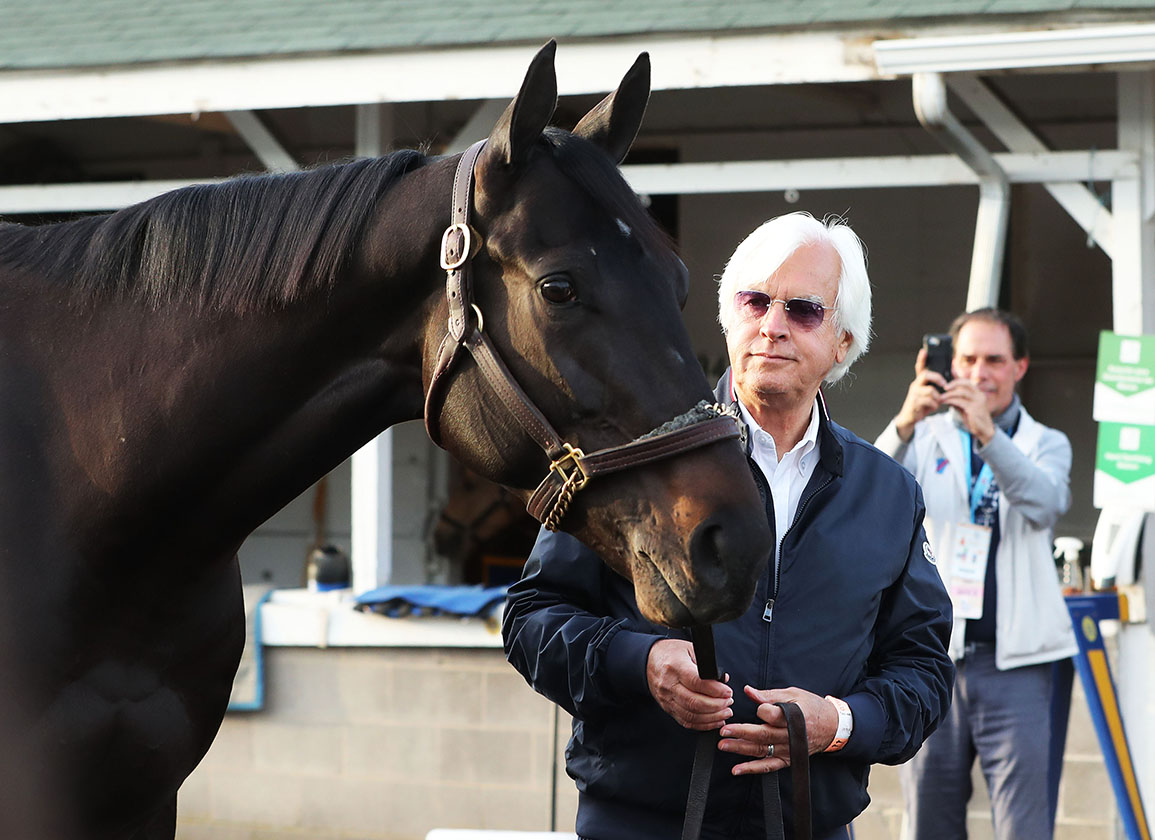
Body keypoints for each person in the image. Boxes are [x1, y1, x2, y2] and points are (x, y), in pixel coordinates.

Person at [503, 212, 954, 840]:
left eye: (803, 310)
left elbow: (924, 671)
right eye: (754, 301)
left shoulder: (890, 494)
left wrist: (841, 722)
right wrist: (641, 662)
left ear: (842, 343)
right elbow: (531, 620)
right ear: (728, 316)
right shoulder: (633, 457)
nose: (772, 327)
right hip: (642, 828)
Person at [875, 308, 1076, 840]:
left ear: (1020, 367)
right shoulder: (925, 435)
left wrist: (989, 437)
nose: (979, 373)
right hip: (931, 660)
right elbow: (867, 503)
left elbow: (1044, 502)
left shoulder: (1045, 442)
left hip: (1017, 667)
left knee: (1024, 826)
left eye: (994, 360)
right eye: (967, 359)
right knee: (929, 823)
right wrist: (903, 423)